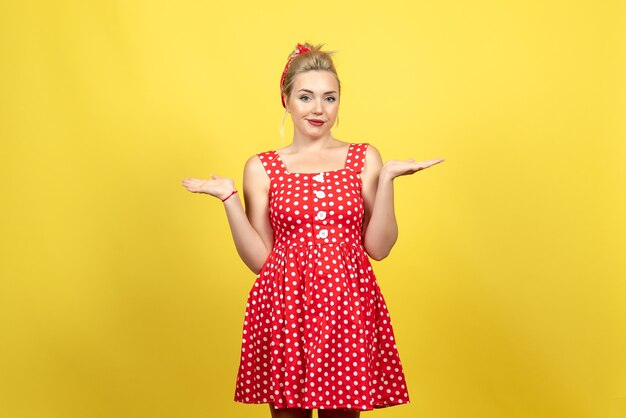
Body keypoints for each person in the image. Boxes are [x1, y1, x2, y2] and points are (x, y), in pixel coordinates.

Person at [181, 42, 444, 418]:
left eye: (329, 98)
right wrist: (229, 201)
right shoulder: (262, 167)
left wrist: (386, 180)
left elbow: (379, 247)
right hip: (285, 306)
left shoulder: (364, 158)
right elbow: (261, 262)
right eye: (306, 97)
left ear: (339, 104)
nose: (318, 109)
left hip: (347, 307)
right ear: (286, 101)